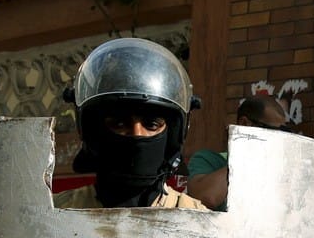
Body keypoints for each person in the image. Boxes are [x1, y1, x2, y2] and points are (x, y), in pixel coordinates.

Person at [55, 37, 208, 210]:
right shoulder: (52, 214)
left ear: (173, 135)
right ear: (94, 132)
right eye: (120, 124)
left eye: (151, 125)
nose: (137, 134)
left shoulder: (201, 220)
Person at [185, 95, 291, 211]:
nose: (277, 137)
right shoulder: (208, 160)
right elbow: (206, 198)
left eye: (283, 132)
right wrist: (246, 151)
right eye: (271, 131)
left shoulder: (276, 169)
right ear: (244, 124)